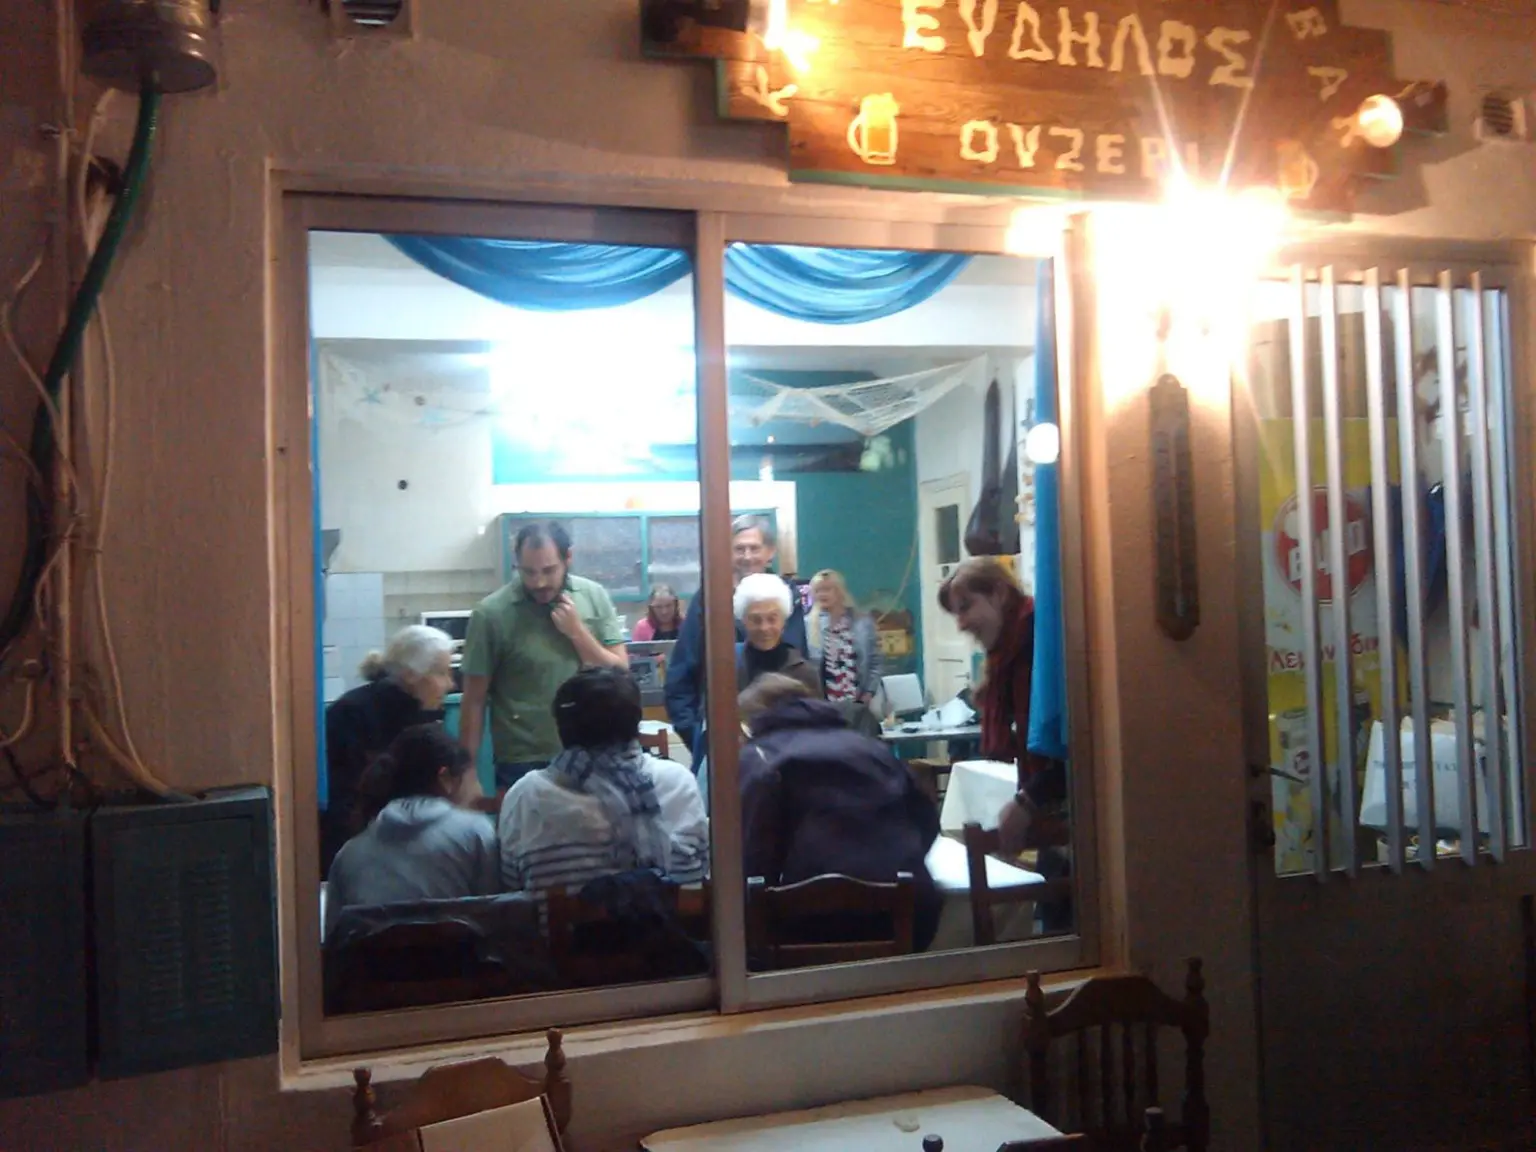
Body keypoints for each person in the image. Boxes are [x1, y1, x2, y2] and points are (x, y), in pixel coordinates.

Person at [737, 674, 941, 953]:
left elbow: (753, 853)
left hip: (808, 929)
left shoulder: (759, 757)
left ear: (749, 723)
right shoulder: (872, 749)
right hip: (910, 915)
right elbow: (927, 822)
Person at [498, 668, 708, 908]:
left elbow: (512, 888)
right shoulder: (678, 782)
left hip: (565, 933)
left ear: (561, 728)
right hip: (673, 931)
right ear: (636, 723)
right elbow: (699, 874)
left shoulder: (526, 795)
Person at [937, 557, 1069, 929]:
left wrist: (1027, 802)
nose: (961, 623)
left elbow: (1069, 738)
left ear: (998, 593)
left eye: (966, 607)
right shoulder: (1012, 651)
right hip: (1056, 818)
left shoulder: (1039, 644)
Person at [459, 521, 627, 791]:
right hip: (524, 760)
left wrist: (577, 632)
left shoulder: (593, 596)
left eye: (549, 570)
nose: (538, 582)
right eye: (528, 572)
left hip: (593, 751)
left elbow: (620, 674)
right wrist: (466, 774)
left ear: (568, 558)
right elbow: (474, 700)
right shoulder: (491, 614)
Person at [325, 724, 500, 939]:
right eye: (469, 779)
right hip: (458, 959)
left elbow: (334, 940)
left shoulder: (348, 855)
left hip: (375, 960)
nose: (477, 790)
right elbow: (497, 922)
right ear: (445, 778)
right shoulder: (477, 832)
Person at [665, 514, 807, 765]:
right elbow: (681, 674)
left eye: (754, 548)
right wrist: (697, 735)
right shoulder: (709, 599)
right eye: (739, 549)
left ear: (770, 552)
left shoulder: (788, 597)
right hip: (724, 746)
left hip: (785, 745)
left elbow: (798, 665)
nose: (747, 556)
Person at [321, 625, 456, 876]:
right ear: (411, 675)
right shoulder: (353, 714)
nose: (450, 683)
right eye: (441, 673)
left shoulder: (425, 716)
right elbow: (346, 804)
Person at [805, 569, 882, 706]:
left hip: (857, 701)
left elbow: (875, 661)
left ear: (840, 592)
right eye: (817, 591)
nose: (822, 594)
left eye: (827, 589)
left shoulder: (862, 623)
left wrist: (869, 692)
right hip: (822, 703)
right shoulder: (807, 625)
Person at [734, 573, 821, 696]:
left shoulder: (804, 673)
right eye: (755, 619)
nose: (764, 628)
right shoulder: (729, 668)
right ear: (743, 621)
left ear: (784, 621)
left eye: (772, 619)